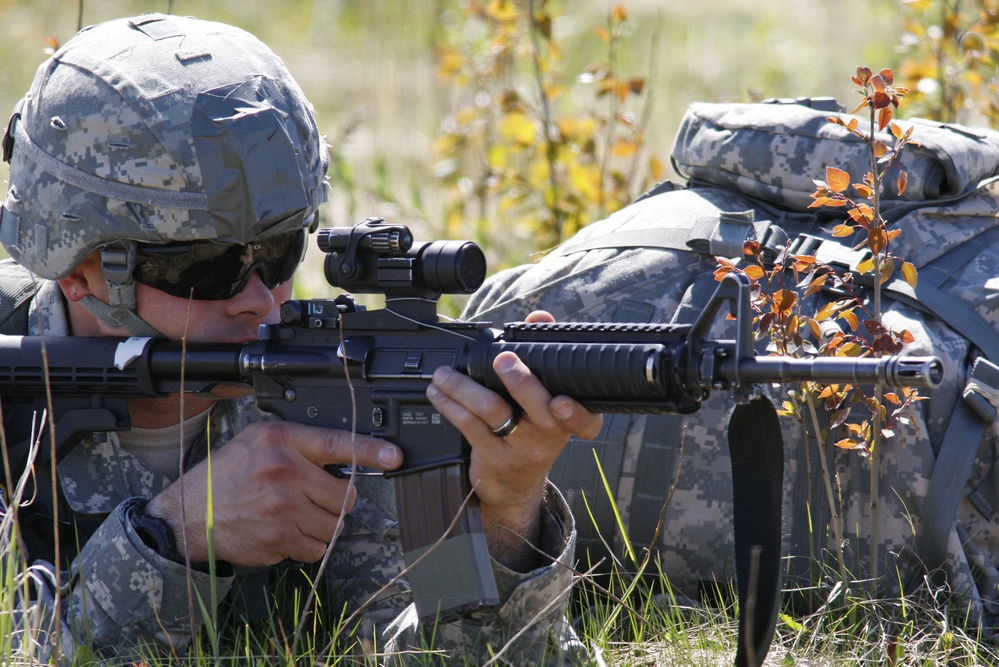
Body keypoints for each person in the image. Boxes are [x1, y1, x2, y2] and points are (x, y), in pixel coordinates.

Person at [0, 13, 602, 665]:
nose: (261, 297)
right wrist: (173, 536)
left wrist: (508, 517)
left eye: (281, 251)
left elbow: (448, 656)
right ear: (78, 268)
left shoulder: (329, 403)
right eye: (204, 266)